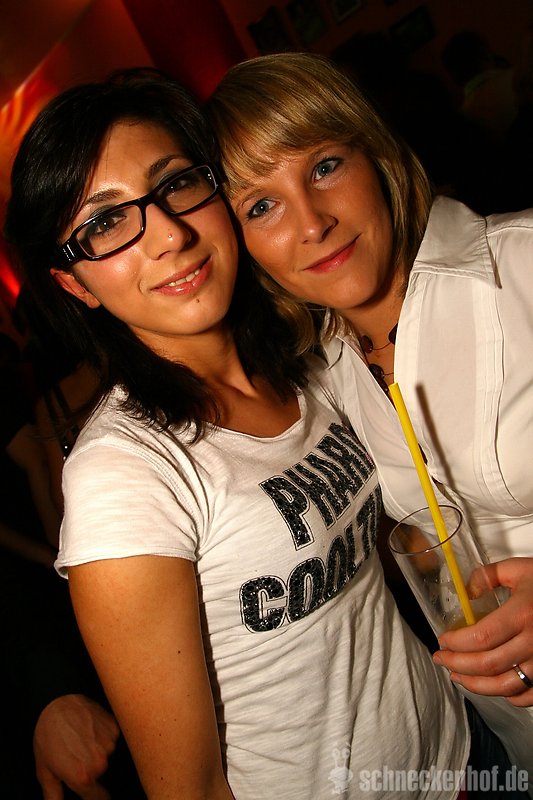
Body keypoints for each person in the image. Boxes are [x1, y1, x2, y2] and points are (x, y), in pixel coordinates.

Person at [3, 66, 513, 800]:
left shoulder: (310, 364)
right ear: (75, 283)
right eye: (105, 224)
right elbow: (190, 788)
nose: (169, 234)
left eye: (176, 183)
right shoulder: (125, 472)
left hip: (466, 747)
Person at [207, 51, 533, 794]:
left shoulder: (521, 266)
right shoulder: (323, 381)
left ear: (374, 156)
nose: (313, 223)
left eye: (324, 167)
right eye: (260, 206)